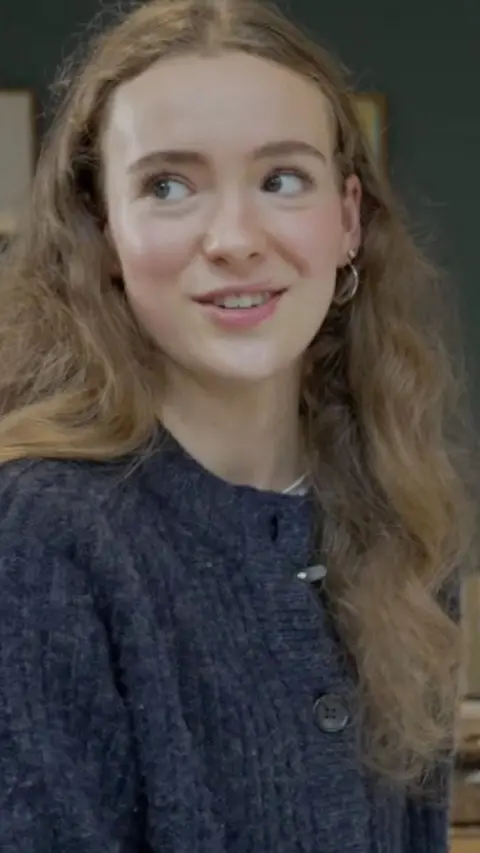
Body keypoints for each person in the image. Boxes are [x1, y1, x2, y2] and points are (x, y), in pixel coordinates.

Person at [0, 1, 474, 850]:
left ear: (347, 219)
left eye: (282, 179)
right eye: (168, 186)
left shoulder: (401, 514)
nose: (234, 239)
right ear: (106, 234)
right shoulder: (44, 536)